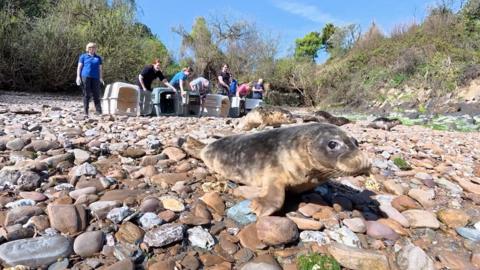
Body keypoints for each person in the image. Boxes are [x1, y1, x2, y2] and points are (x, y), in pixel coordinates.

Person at [76, 42, 103, 116]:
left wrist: (101, 77)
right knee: (86, 94)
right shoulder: (83, 56)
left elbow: (100, 69)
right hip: (85, 77)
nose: (92, 49)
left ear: (95, 49)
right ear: (87, 49)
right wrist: (78, 76)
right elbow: (79, 67)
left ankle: (99, 111)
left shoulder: (98, 58)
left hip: (96, 78)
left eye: (93, 47)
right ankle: (86, 111)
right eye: (90, 48)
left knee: (96, 94)